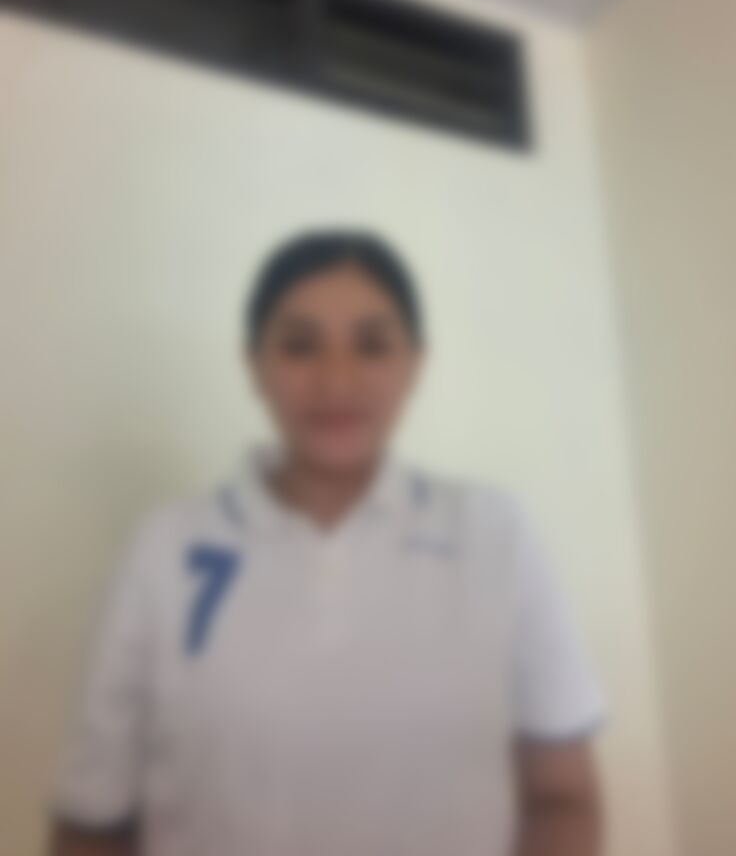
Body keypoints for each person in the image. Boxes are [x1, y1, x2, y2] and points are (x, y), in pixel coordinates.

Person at [51, 229, 607, 856]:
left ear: (415, 363)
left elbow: (563, 799)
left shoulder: (494, 533)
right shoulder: (163, 549)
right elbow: (91, 824)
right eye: (299, 346)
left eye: (371, 345)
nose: (336, 381)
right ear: (254, 365)